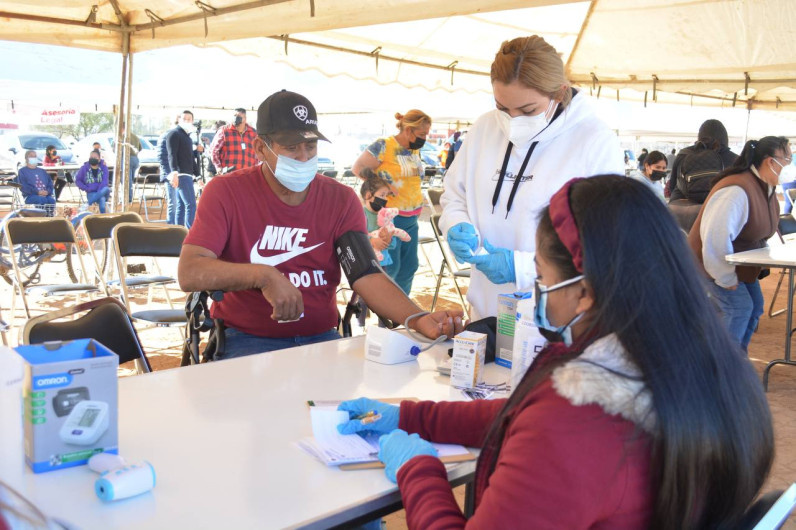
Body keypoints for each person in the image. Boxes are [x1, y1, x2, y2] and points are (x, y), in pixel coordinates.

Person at [338, 175, 774, 529]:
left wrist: (418, 470)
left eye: (542, 277)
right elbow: (520, 416)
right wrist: (412, 417)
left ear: (584, 292)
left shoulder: (575, 423)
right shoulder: (694, 361)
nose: (537, 290)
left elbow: (547, 428)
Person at [177, 90, 463, 359]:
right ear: (260, 148)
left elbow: (365, 273)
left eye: (310, 146)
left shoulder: (340, 199)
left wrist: (419, 319)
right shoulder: (226, 192)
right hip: (248, 339)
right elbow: (190, 271)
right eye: (291, 148)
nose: (303, 157)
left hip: (322, 337)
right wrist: (263, 276)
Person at [440, 35, 624, 323]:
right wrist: (455, 223)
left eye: (528, 111)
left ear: (560, 92)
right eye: (502, 108)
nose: (513, 121)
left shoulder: (594, 141)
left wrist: (523, 267)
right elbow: (454, 195)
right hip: (485, 309)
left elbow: (602, 241)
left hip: (553, 319)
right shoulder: (484, 128)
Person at [688, 136, 790, 351]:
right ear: (770, 161)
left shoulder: (766, 186)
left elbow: (762, 231)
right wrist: (725, 277)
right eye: (787, 159)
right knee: (740, 309)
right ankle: (722, 364)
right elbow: (715, 238)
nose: (790, 165)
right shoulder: (736, 190)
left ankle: (736, 360)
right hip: (710, 265)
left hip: (739, 265)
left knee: (754, 307)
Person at [352, 110, 430, 295]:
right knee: (390, 269)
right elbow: (358, 168)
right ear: (408, 130)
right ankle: (384, 310)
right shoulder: (384, 146)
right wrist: (383, 186)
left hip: (412, 218)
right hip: (389, 217)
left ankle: (402, 308)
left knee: (410, 267)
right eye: (422, 134)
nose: (424, 138)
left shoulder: (414, 149)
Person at [667, 119, 738, 201]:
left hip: (683, 206)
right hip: (720, 205)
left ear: (700, 136)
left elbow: (672, 186)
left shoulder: (684, 154)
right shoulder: (735, 160)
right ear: (725, 138)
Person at [159, 110, 200, 228]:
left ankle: (179, 231)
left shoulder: (187, 137)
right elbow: (171, 154)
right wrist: (174, 173)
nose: (186, 121)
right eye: (184, 118)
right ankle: (189, 231)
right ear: (179, 120)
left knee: (181, 206)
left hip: (187, 174)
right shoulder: (174, 133)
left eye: (189, 119)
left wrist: (198, 176)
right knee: (190, 205)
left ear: (192, 121)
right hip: (181, 175)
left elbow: (191, 158)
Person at [359, 168, 396, 266]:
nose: (385, 199)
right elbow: (356, 237)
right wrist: (371, 241)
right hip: (365, 263)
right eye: (382, 195)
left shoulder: (387, 215)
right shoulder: (360, 214)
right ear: (368, 195)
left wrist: (388, 239)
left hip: (383, 263)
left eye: (386, 195)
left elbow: (393, 244)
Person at [210, 108, 258, 174]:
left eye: (239, 117)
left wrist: (255, 169)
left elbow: (257, 153)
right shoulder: (224, 130)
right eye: (234, 116)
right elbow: (214, 150)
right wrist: (218, 167)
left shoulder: (253, 133)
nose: (236, 119)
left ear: (245, 119)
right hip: (229, 174)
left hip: (247, 174)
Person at [17, 150, 56, 214]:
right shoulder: (22, 171)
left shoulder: (42, 171)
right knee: (41, 200)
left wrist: (47, 191)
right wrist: (37, 192)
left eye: (35, 156)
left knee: (51, 200)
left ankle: (49, 216)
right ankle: (40, 216)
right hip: (30, 195)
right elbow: (23, 186)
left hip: (45, 195)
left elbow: (50, 184)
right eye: (31, 156)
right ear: (26, 158)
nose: (33, 158)